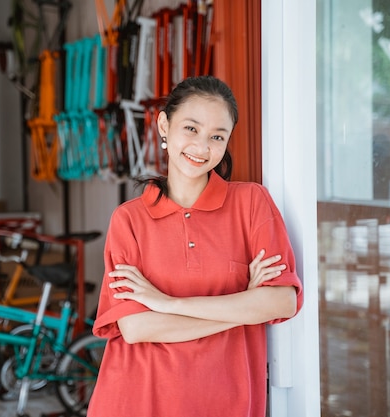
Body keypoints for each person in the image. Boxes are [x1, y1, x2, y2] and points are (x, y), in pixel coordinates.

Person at [87, 75, 303, 417]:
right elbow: (137, 327)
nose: (202, 147)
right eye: (191, 129)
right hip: (137, 401)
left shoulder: (252, 203)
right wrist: (245, 306)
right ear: (163, 125)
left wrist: (166, 303)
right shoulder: (128, 220)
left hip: (227, 403)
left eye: (217, 136)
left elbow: (282, 301)